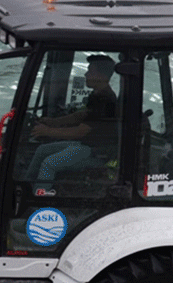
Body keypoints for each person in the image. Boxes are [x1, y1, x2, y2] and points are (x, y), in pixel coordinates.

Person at [26, 55, 119, 188]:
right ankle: (25, 187)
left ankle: (38, 200)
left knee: (49, 163)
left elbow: (80, 132)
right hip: (85, 145)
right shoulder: (96, 95)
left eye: (90, 71)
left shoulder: (106, 100)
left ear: (103, 77)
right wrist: (53, 122)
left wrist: (47, 131)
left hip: (95, 151)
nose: (86, 74)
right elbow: (79, 116)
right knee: (42, 150)